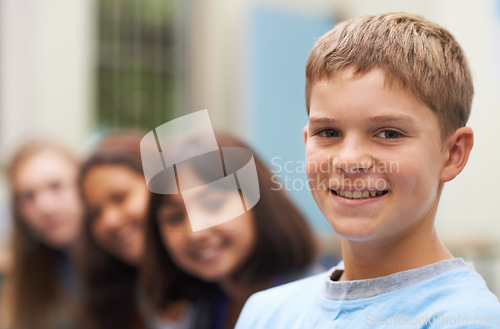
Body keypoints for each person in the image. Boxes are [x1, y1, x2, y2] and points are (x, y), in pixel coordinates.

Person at [235, 12, 500, 329]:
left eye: (389, 133)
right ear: (307, 141)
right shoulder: (265, 313)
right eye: (329, 133)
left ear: (452, 153)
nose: (349, 160)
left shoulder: (465, 319)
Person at [140, 132, 319, 329]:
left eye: (213, 204)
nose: (195, 232)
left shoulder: (313, 308)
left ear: (258, 202)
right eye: (174, 217)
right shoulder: (204, 307)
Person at [0, 140, 84, 329]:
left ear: (84, 184)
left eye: (56, 186)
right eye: (28, 196)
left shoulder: (125, 257)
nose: (45, 206)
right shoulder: (44, 266)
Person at [78, 131, 150, 329]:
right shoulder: (117, 301)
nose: (109, 221)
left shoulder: (220, 287)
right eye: (96, 213)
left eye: (120, 198)